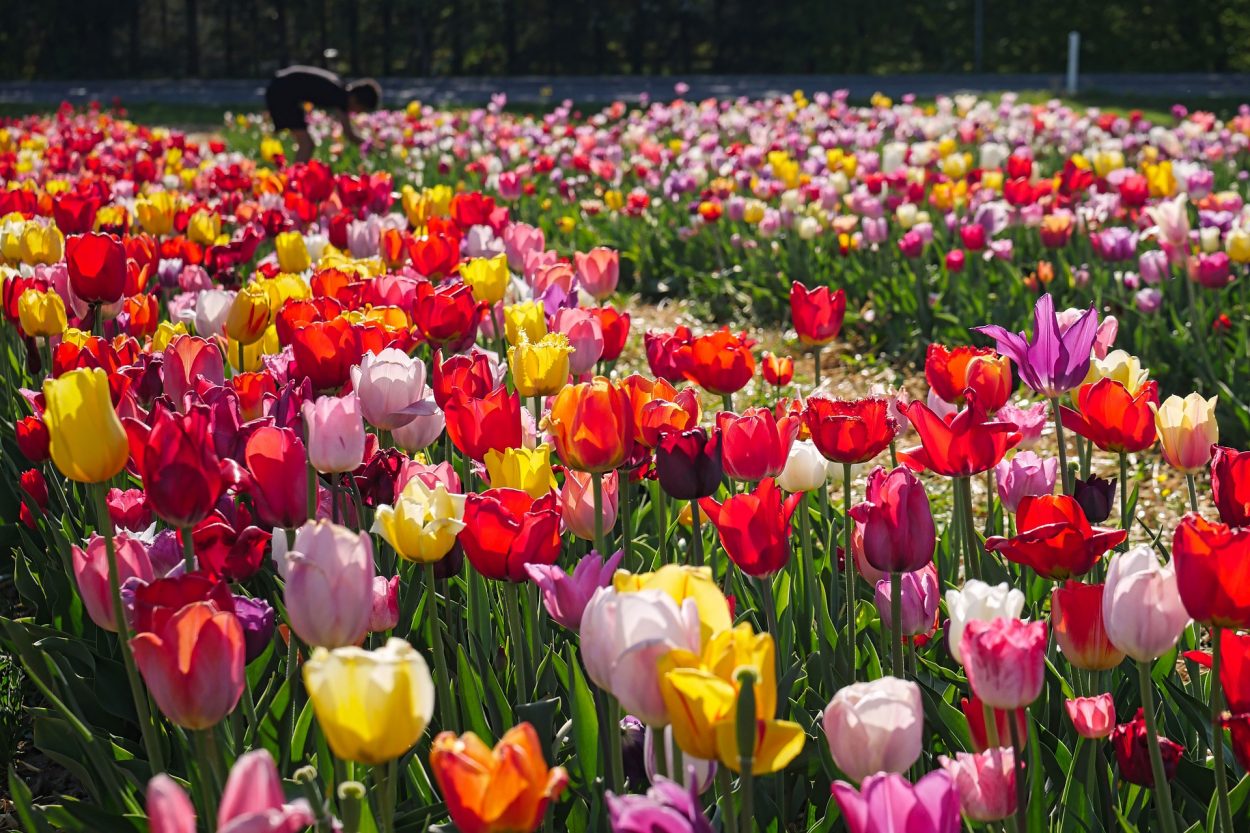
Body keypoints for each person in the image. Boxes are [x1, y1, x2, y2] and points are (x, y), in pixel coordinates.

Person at [264, 65, 381, 163]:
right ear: (355, 99)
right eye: (360, 109)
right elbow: (349, 134)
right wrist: (371, 146)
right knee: (307, 144)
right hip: (282, 92)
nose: (357, 113)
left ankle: (294, 178)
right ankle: (294, 181)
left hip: (282, 87)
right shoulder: (341, 97)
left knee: (306, 143)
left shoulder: (339, 86)